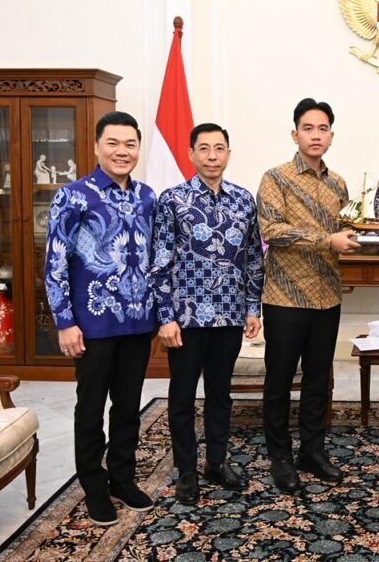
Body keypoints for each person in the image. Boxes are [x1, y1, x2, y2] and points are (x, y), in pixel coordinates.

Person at [44, 111, 157, 526]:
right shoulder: (73, 196)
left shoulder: (148, 197)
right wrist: (64, 321)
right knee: (91, 408)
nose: (122, 151)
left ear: (138, 148)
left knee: (128, 407)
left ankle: (122, 479)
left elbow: (155, 257)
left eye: (130, 144)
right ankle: (93, 486)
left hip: (139, 322)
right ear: (96, 146)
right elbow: (55, 261)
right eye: (113, 143)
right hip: (92, 324)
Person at [150, 123, 265, 505]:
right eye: (204, 148)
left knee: (220, 394)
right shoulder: (173, 200)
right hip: (186, 319)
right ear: (191, 154)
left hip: (229, 315)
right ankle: (187, 470)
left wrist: (252, 308)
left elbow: (253, 258)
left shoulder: (243, 200)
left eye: (219, 148)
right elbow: (160, 263)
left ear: (228, 153)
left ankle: (216, 461)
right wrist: (165, 317)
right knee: (182, 396)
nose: (212, 156)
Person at [256, 98, 359, 493]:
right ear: (295, 133)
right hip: (285, 297)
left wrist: (366, 236)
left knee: (318, 380)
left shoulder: (339, 184)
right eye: (308, 128)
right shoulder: (275, 178)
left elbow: (347, 230)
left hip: (327, 296)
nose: (316, 135)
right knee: (280, 381)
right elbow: (271, 230)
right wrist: (326, 240)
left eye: (323, 129)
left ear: (331, 135)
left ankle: (312, 451)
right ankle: (280, 457)